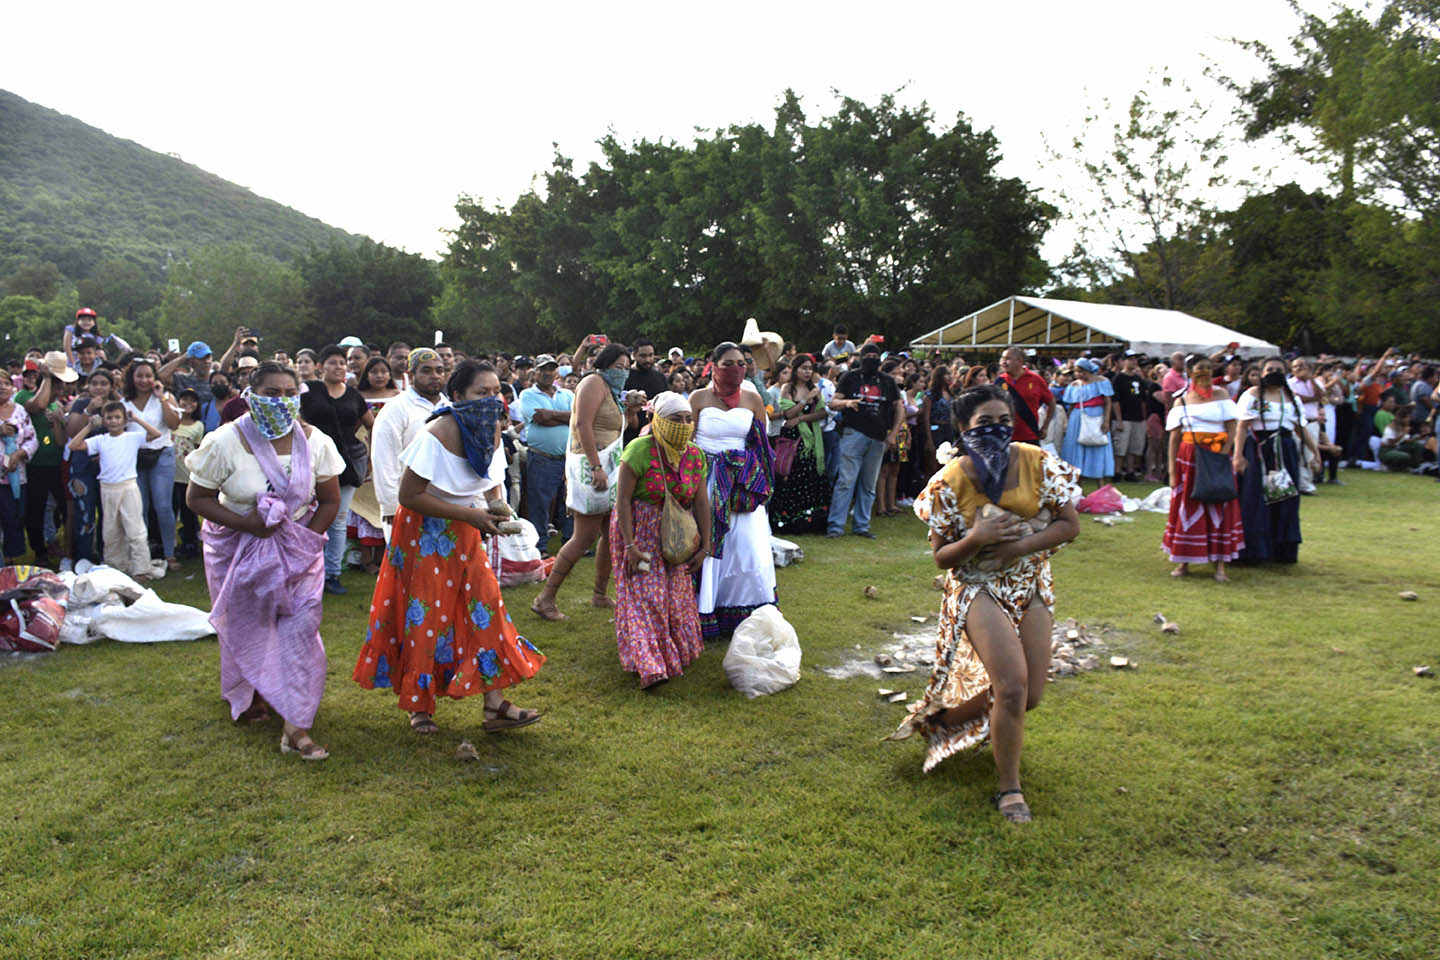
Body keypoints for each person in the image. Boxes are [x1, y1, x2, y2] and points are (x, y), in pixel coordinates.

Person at [888, 384, 1081, 823]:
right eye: (984, 423)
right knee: (1011, 686)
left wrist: (1020, 546)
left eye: (1002, 421)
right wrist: (976, 539)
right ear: (962, 428)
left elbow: (1070, 525)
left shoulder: (1036, 462)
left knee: (1029, 696)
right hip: (977, 586)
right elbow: (942, 557)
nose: (995, 430)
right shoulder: (947, 482)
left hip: (1029, 581)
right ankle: (1009, 790)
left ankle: (939, 720)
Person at [353, 361, 544, 735]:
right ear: (457, 397)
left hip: (465, 529)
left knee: (487, 608)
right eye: (481, 393)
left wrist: (496, 507)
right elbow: (410, 496)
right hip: (423, 532)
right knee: (425, 617)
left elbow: (490, 479)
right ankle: (418, 705)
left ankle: (495, 705)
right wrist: (469, 515)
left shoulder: (490, 428)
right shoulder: (436, 433)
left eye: (496, 393)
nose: (492, 401)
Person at [185, 361, 342, 760]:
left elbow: (329, 500)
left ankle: (296, 726)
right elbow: (197, 499)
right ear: (251, 395)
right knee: (248, 625)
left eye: (290, 394)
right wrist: (247, 524)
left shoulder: (316, 442)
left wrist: (307, 542)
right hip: (236, 548)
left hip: (298, 552)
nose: (282, 401)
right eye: (272, 393)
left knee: (301, 630)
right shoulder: (224, 442)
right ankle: (253, 690)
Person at [530, 344, 638, 621]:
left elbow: (626, 425)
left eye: (627, 368)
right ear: (604, 365)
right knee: (584, 536)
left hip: (610, 465)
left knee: (608, 532)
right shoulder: (593, 382)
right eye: (618, 367)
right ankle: (545, 599)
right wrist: (596, 466)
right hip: (591, 466)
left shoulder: (612, 391)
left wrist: (633, 408)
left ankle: (600, 594)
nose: (623, 372)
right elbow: (582, 425)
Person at [610, 391, 711, 687]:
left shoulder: (695, 454)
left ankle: (672, 654)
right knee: (646, 597)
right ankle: (649, 666)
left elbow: (702, 502)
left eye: (688, 419)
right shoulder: (639, 449)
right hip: (639, 531)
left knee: (676, 597)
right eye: (675, 419)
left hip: (677, 535)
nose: (683, 424)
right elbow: (623, 501)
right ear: (657, 420)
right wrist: (629, 545)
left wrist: (705, 546)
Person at [691, 342, 777, 638]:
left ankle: (747, 610)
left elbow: (761, 446)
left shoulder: (753, 400)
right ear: (713, 365)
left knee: (746, 546)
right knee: (710, 545)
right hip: (705, 482)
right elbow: (687, 442)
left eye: (741, 363)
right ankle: (705, 609)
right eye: (728, 363)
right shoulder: (698, 398)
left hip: (740, 483)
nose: (736, 369)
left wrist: (752, 476)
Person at [300, 344, 374, 595]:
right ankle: (307, 569)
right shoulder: (307, 392)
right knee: (306, 517)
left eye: (342, 362)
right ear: (321, 366)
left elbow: (373, 425)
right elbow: (294, 419)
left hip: (348, 462)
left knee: (338, 520)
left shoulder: (353, 395)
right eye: (332, 362)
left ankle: (332, 574)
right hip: (311, 462)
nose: (339, 367)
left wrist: (371, 457)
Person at [1163, 356, 1243, 581]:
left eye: (1208, 368)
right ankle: (1183, 563)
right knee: (1187, 509)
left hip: (1216, 458)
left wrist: (1223, 453)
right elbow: (1174, 438)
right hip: (1189, 460)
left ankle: (1220, 566)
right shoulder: (1182, 400)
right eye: (1200, 369)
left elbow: (1232, 428)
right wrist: (1171, 472)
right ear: (1189, 371)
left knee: (1219, 507)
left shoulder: (1222, 395)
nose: (1205, 372)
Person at [1233, 358, 1319, 564]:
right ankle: (1254, 551)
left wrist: (1315, 452)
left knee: (1285, 498)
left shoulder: (1292, 398)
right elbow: (1242, 427)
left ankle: (1281, 551)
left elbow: (1301, 428)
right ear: (1262, 373)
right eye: (1269, 369)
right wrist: (1238, 455)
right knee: (1255, 499)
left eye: (1278, 370)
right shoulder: (1252, 395)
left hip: (1286, 451)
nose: (1274, 372)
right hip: (1259, 451)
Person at [68, 401, 164, 578]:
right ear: (104, 420)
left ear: (124, 420)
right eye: (109, 418)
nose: (113, 421)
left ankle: (141, 567)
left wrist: (135, 418)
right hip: (107, 488)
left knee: (135, 529)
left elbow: (155, 434)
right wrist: (89, 426)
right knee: (111, 531)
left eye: (117, 417)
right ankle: (116, 567)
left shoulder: (132, 437)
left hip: (128, 487)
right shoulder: (100, 440)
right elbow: (73, 446)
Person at [369, 349, 449, 544]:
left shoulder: (449, 408)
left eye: (439, 371)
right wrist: (390, 506)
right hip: (406, 502)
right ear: (411, 375)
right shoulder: (395, 409)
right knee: (408, 568)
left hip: (446, 503)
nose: (435, 376)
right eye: (427, 371)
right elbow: (384, 461)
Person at [826, 342, 903, 539]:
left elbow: (899, 406)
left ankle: (862, 526)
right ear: (860, 358)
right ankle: (835, 526)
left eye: (874, 356)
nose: (871, 359)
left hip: (878, 436)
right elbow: (833, 403)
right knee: (846, 481)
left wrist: (894, 433)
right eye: (867, 356)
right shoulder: (849, 377)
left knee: (868, 484)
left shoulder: (887, 381)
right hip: (853, 433)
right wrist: (847, 403)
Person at [122, 359, 182, 572]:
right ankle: (142, 554)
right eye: (139, 376)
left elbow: (174, 424)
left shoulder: (165, 398)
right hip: (134, 457)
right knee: (140, 506)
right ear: (132, 378)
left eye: (148, 376)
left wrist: (163, 398)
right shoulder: (123, 402)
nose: (144, 380)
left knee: (163, 505)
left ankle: (169, 552)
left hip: (162, 455)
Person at [17, 352, 75, 566]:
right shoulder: (24, 397)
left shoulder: (56, 405)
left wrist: (58, 421)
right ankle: (39, 551)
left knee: (65, 507)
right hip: (36, 466)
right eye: (56, 386)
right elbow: (37, 406)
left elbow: (60, 440)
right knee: (36, 510)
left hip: (57, 465)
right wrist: (47, 377)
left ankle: (67, 547)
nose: (60, 391)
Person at [517, 354, 574, 556]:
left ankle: (570, 544)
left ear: (555, 372)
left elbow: (576, 418)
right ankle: (539, 547)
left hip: (567, 458)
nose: (547, 373)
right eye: (543, 369)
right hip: (542, 458)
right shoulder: (527, 395)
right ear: (535, 372)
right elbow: (539, 419)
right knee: (539, 504)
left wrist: (551, 414)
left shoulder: (566, 394)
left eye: (551, 369)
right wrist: (564, 417)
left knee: (569, 502)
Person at [769, 353, 830, 534]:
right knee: (790, 476)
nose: (807, 372)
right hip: (792, 438)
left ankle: (811, 522)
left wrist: (802, 417)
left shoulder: (815, 389)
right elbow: (788, 414)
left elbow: (822, 413)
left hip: (811, 438)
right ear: (795, 370)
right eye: (804, 368)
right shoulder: (788, 388)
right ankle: (788, 523)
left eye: (810, 369)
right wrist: (805, 400)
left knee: (811, 477)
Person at [64, 367, 120, 565]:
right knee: (84, 512)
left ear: (111, 386)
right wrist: (88, 410)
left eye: (103, 384)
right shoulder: (79, 403)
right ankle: (83, 557)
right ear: (88, 385)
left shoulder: (116, 405)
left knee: (107, 513)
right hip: (82, 465)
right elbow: (71, 432)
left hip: (108, 466)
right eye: (94, 383)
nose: (98, 387)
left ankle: (107, 557)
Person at [0, 377, 38, 564]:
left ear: (12, 387)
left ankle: (9, 562)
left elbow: (32, 439)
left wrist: (19, 454)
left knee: (14, 517)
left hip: (16, 476)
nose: (2, 387)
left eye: (5, 383)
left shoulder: (20, 411)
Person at [1059, 358, 1114, 483]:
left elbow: (1108, 402)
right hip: (1077, 418)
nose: (1079, 374)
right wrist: (1067, 422)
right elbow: (1071, 405)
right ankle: (1078, 482)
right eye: (1077, 372)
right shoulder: (1073, 386)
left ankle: (1100, 481)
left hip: (1097, 416)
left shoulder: (1102, 382)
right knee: (1077, 448)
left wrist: (1106, 421)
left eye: (1082, 371)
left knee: (1098, 446)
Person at [171, 389, 206, 557]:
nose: (188, 404)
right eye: (184, 400)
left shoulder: (198, 426)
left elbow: (198, 450)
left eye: (192, 401)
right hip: (169, 474)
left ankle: (190, 542)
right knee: (169, 508)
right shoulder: (171, 422)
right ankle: (168, 542)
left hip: (186, 474)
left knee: (188, 511)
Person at [997, 347, 1055, 448]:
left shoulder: (1036, 379)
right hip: (1005, 436)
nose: (1003, 362)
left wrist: (1045, 427)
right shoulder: (999, 381)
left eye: (1007, 359)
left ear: (1019, 361)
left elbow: (1051, 402)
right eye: (1002, 359)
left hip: (1029, 435)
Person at [1108, 352, 1149, 482]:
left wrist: (1144, 418)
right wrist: (1119, 420)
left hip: (1137, 418)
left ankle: (1130, 472)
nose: (1133, 362)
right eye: (1130, 359)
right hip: (1123, 417)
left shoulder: (1139, 379)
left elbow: (1143, 400)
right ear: (1123, 361)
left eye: (1134, 359)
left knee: (1134, 447)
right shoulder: (1118, 379)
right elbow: (1115, 401)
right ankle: (1117, 471)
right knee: (1120, 447)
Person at [1287, 358, 1323, 494]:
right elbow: (1296, 398)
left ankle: (1306, 484)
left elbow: (1321, 395)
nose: (1299, 369)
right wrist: (1313, 398)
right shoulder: (1289, 383)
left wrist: (1311, 379)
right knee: (1295, 452)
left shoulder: (1316, 383)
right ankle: (1296, 483)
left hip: (1312, 422)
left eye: (1302, 366)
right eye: (1296, 366)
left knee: (1309, 454)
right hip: (1296, 423)